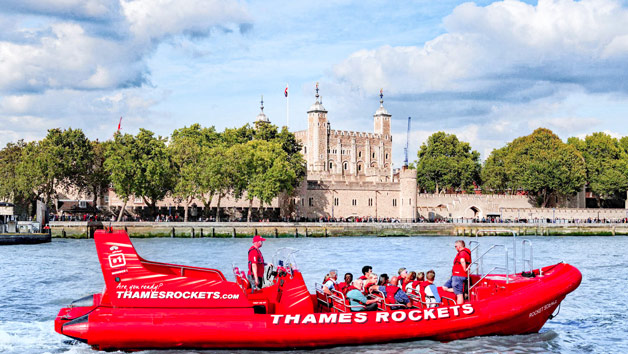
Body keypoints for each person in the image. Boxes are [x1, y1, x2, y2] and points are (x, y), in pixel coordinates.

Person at [443, 240, 472, 304]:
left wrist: (464, 269)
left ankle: (459, 306)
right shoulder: (466, 252)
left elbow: (462, 260)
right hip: (455, 275)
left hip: (459, 275)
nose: (455, 248)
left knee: (459, 295)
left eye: (455, 246)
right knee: (444, 287)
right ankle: (459, 291)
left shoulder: (462, 253)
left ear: (459, 246)